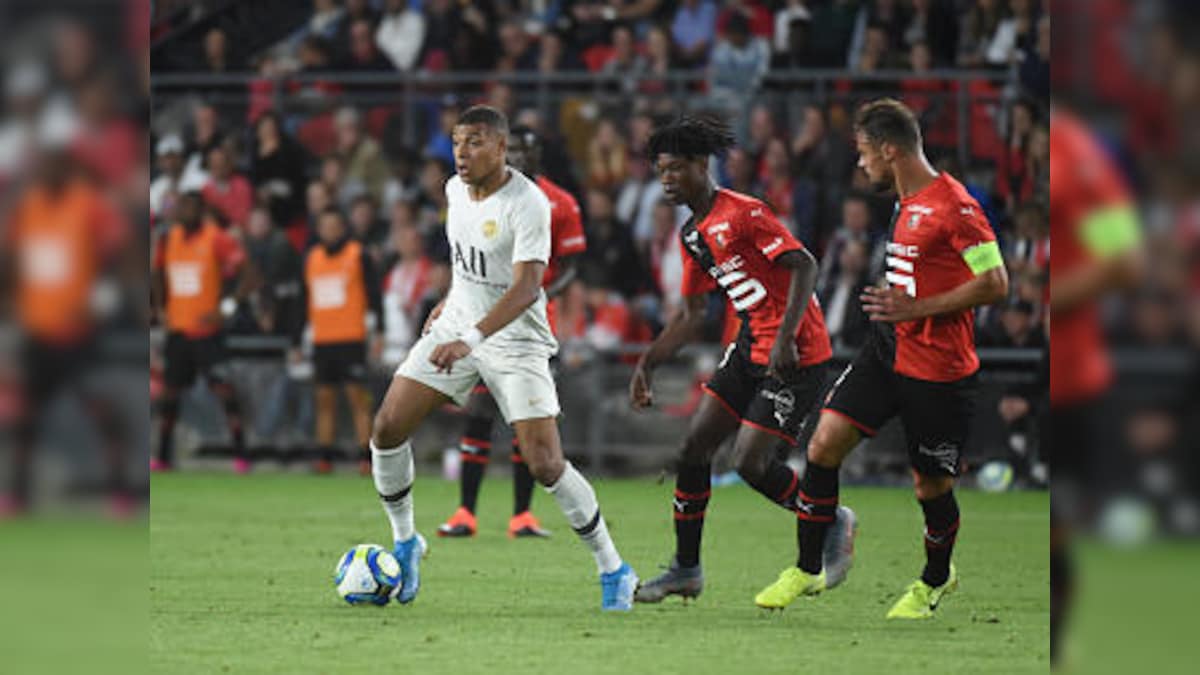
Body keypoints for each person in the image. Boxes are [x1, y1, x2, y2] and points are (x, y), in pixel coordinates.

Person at [369, 106, 638, 609]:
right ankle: (406, 543)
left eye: (473, 142)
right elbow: (466, 262)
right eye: (456, 143)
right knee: (387, 427)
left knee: (544, 463)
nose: (461, 154)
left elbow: (527, 287)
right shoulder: (453, 190)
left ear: (500, 147)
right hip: (458, 324)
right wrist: (448, 302)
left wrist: (470, 338)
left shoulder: (528, 203)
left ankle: (613, 567)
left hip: (516, 339)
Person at [753, 98, 1009, 615]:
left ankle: (935, 579)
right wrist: (903, 310)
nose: (860, 163)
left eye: (864, 152)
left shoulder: (955, 207)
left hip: (939, 370)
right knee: (823, 445)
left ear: (890, 150)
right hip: (888, 350)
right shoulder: (902, 200)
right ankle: (806, 568)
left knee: (929, 485)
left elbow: (996, 283)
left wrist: (919, 306)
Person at [628, 114, 856, 603]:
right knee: (693, 450)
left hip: (797, 354)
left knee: (750, 463)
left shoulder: (745, 213)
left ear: (699, 165)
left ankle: (830, 516)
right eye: (660, 170)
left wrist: (786, 337)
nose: (665, 179)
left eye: (674, 169)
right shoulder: (693, 233)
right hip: (752, 346)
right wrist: (648, 363)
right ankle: (685, 570)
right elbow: (691, 315)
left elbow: (804, 265)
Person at [438, 125, 586, 539]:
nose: (518, 156)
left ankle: (522, 515)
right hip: (485, 320)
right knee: (480, 413)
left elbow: (573, 264)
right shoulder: (481, 197)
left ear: (537, 157)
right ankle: (465, 512)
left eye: (526, 149)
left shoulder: (560, 203)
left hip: (533, 327)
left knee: (529, 421)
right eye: (513, 149)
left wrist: (533, 292)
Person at [1047, 107, 1142, 665]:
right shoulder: (1042, 146)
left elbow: (1125, 262)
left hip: (1070, 382)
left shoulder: (1077, 156)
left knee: (1057, 528)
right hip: (1047, 374)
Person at [151, 191, 259, 473]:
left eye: (189, 205)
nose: (183, 211)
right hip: (178, 330)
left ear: (200, 210)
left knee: (225, 392)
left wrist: (226, 307)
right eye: (180, 206)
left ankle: (241, 454)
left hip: (208, 332)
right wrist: (160, 308)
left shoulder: (216, 238)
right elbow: (158, 273)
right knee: (169, 395)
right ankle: (163, 457)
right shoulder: (168, 239)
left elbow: (249, 273)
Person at [302, 206, 385, 475]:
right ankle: (324, 456)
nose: (330, 231)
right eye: (325, 226)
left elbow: (374, 294)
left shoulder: (357, 254)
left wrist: (379, 331)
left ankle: (366, 456)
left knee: (358, 399)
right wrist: (297, 339)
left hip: (351, 338)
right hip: (323, 339)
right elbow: (304, 300)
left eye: (335, 226)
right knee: (324, 400)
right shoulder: (312, 258)